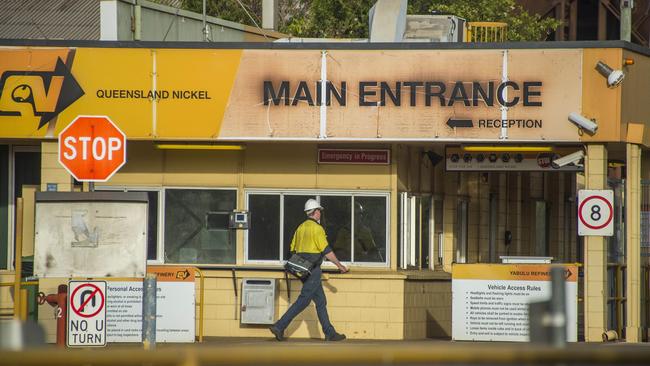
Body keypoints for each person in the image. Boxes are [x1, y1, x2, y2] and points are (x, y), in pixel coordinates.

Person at [270, 198, 348, 342]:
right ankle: (280, 326)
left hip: (303, 270)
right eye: (319, 211)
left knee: (320, 301)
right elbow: (326, 251)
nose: (320, 214)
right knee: (304, 300)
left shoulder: (300, 228)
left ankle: (329, 332)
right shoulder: (317, 229)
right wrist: (339, 265)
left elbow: (293, 248)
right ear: (316, 212)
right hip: (313, 270)